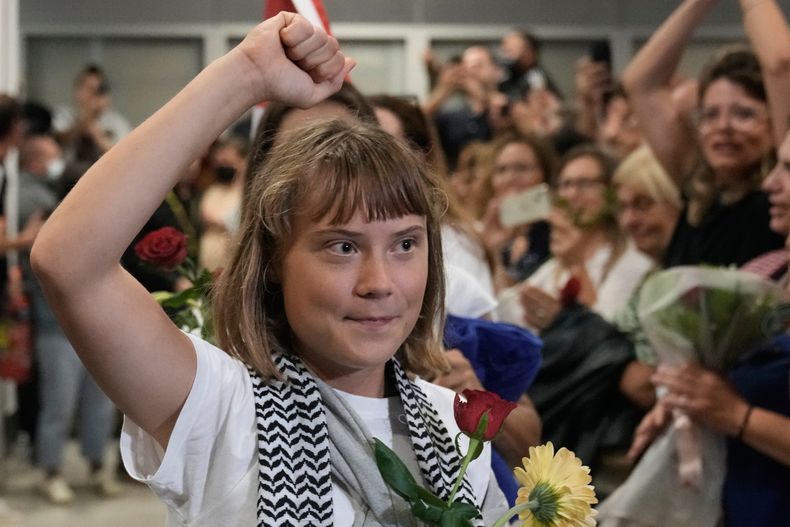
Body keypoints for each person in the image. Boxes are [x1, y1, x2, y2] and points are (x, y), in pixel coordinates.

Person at [30, 13, 508, 525]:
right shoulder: (221, 408)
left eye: (406, 244)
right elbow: (69, 262)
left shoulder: (454, 425)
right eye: (342, 247)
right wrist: (245, 73)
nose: (379, 283)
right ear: (275, 258)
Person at [622, 0, 788, 269]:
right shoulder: (699, 192)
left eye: (743, 114)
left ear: (774, 120)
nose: (723, 126)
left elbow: (781, 64)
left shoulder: (778, 196)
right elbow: (640, 82)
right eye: (710, 114)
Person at [52, 64, 131, 165]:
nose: (92, 95)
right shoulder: (64, 114)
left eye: (97, 90)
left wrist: (96, 133)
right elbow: (59, 141)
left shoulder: (115, 121)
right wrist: (87, 119)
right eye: (89, 88)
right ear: (77, 90)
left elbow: (123, 154)